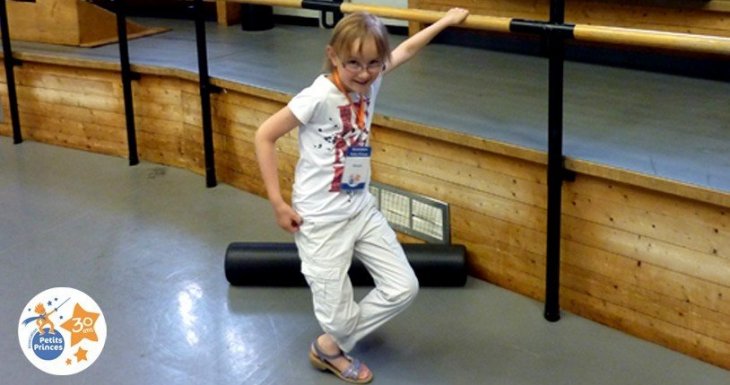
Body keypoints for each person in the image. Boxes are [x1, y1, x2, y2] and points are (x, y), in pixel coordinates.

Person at [255, 8, 469, 384]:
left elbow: (407, 50)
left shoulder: (371, 83)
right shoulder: (318, 96)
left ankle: (328, 346)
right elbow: (265, 135)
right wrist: (277, 202)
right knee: (337, 318)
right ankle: (334, 340)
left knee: (404, 286)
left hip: (361, 209)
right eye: (353, 62)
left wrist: (445, 21)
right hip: (319, 220)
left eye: (373, 63)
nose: (364, 72)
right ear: (333, 56)